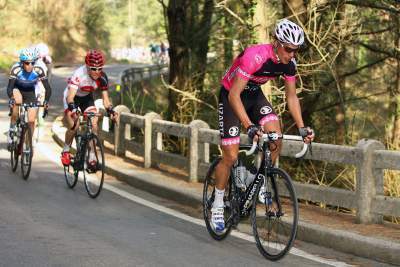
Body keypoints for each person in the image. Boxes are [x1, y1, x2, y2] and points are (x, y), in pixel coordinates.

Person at [211, 19, 315, 232]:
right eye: (288, 49)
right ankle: (218, 204)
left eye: (296, 50)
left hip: (255, 95)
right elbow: (234, 95)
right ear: (277, 42)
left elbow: (292, 96)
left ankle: (257, 180)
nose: (292, 54)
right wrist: (249, 126)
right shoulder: (254, 56)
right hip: (232, 96)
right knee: (230, 156)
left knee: (276, 136)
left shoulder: (289, 64)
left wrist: (302, 127)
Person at [60, 49, 118, 168]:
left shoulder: (102, 77)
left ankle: (91, 155)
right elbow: (70, 97)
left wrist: (111, 111)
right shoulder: (79, 74)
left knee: (94, 123)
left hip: (87, 98)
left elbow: (106, 100)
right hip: (72, 98)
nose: (97, 72)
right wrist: (73, 109)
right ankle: (65, 150)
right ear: (87, 66)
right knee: (74, 125)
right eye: (93, 68)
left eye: (99, 68)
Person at [6, 47, 51, 150]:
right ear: (22, 62)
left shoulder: (39, 69)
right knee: (17, 102)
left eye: (32, 63)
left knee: (31, 120)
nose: (30, 65)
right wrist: (12, 98)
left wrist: (46, 101)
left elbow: (47, 88)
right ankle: (12, 128)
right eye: (27, 63)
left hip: (30, 91)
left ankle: (28, 144)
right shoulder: (16, 68)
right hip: (18, 89)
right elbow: (9, 87)